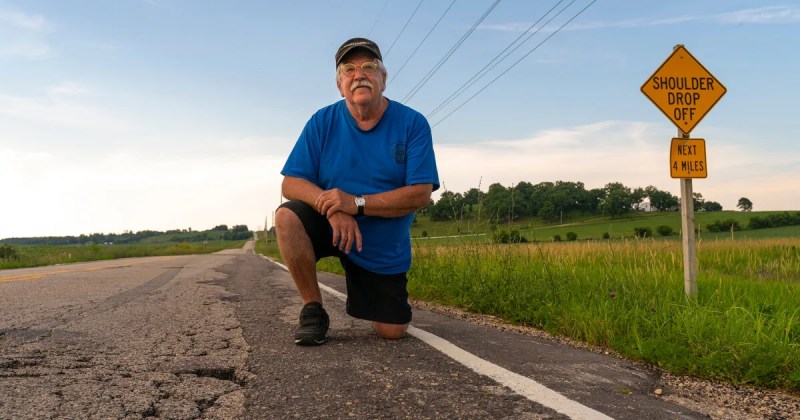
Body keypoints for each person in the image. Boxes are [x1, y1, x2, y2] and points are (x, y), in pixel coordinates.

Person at [274, 37, 439, 346]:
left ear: (383, 79)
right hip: (331, 225)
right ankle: (313, 309)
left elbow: (420, 194)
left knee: (392, 331)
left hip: (380, 246)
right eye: (348, 69)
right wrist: (336, 208)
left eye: (368, 67)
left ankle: (371, 290)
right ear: (340, 85)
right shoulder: (322, 122)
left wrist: (357, 204)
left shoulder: (413, 123)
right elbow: (291, 184)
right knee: (287, 217)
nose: (358, 74)